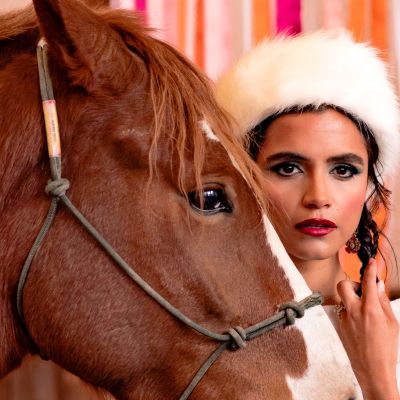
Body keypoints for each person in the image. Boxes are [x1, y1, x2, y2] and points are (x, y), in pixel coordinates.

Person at [216, 30, 400, 399]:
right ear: (245, 178)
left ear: (369, 185)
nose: (318, 197)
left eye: (343, 170)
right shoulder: (207, 336)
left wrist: (378, 376)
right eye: (288, 168)